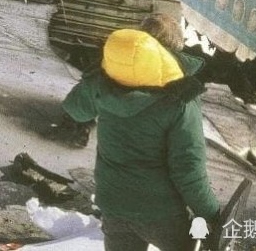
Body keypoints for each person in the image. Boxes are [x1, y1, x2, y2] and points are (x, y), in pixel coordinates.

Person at [61, 13, 220, 251]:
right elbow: (188, 168)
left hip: (114, 204)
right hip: (161, 213)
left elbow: (75, 109)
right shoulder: (180, 97)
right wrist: (211, 213)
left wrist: (98, 74)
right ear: (175, 48)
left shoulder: (105, 81)